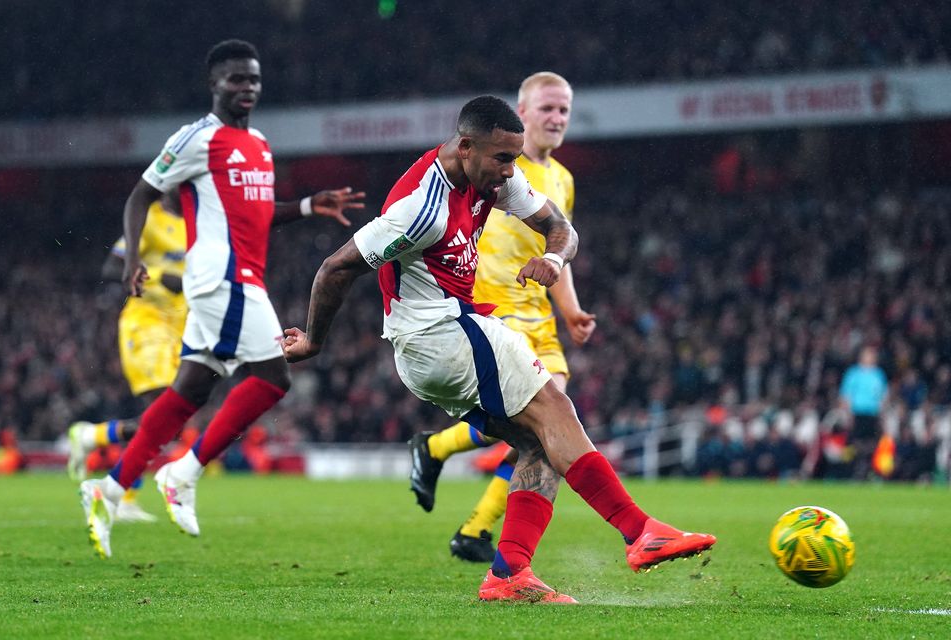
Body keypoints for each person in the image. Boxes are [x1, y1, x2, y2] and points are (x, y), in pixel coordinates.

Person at [283, 95, 715, 603]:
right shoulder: (422, 207)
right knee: (555, 407)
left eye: (514, 158)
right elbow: (336, 267)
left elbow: (561, 228)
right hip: (439, 335)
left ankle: (509, 573)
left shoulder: (493, 177)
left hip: (446, 337)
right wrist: (314, 340)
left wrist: (553, 261)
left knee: (539, 444)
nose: (511, 170)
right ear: (466, 147)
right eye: (502, 158)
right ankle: (640, 531)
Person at [79, 39, 365, 559]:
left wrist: (306, 204)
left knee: (188, 392)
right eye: (236, 79)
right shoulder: (196, 138)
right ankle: (183, 474)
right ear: (214, 84)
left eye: (254, 79)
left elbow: (256, 213)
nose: (247, 88)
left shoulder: (258, 142)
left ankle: (110, 487)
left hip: (240, 279)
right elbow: (141, 193)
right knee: (274, 375)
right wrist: (130, 262)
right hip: (223, 278)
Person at [406, 72, 596, 563]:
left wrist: (570, 309)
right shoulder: (496, 169)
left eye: (564, 111)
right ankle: (479, 529)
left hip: (540, 316)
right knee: (542, 421)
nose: (556, 119)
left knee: (543, 427)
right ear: (523, 111)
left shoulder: (563, 180)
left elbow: (556, 246)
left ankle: (440, 459)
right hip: (494, 307)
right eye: (547, 109)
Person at [67, 190, 187, 523]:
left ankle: (93, 437)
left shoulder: (198, 224)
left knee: (170, 423)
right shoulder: (148, 220)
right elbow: (111, 266)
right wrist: (162, 277)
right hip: (145, 322)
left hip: (182, 328)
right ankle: (120, 497)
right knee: (162, 410)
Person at [839, 345, 889, 480]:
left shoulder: (879, 374)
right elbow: (846, 395)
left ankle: (867, 470)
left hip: (872, 413)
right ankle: (850, 471)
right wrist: (848, 414)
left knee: (872, 443)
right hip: (857, 413)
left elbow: (883, 396)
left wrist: (882, 415)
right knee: (854, 443)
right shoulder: (853, 373)